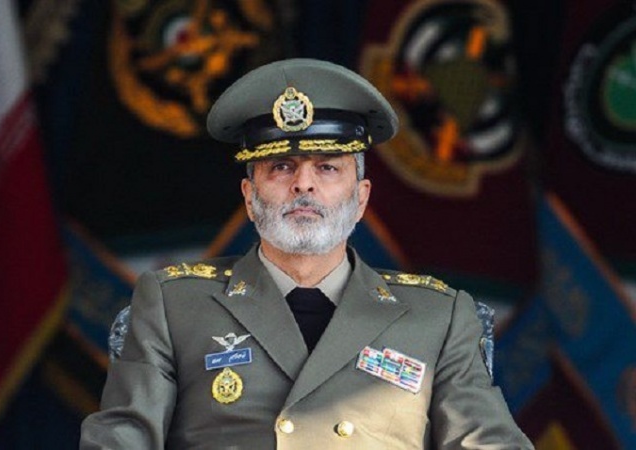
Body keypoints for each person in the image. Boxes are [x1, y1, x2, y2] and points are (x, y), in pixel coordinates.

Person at [80, 58, 533, 449]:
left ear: (361, 197)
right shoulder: (173, 306)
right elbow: (120, 441)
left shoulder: (438, 318)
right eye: (281, 166)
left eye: (327, 167)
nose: (303, 185)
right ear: (249, 196)